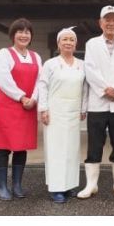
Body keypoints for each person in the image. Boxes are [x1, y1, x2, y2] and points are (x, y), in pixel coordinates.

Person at [78, 5, 114, 198]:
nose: (111, 23)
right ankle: (91, 185)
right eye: (107, 19)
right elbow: (90, 70)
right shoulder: (92, 44)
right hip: (98, 102)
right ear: (100, 23)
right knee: (95, 143)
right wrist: (106, 89)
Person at [0, 18, 42, 200]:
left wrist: (33, 98)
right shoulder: (5, 53)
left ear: (31, 36)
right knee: (3, 147)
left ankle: (17, 184)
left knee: (21, 147)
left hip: (28, 107)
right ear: (13, 35)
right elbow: (3, 80)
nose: (24, 35)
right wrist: (21, 96)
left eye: (27, 32)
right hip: (8, 106)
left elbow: (40, 81)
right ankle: (1, 186)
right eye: (20, 31)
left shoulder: (36, 57)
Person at [38, 27, 88, 203]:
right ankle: (57, 188)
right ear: (58, 43)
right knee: (56, 150)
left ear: (76, 44)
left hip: (73, 112)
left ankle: (69, 185)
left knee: (72, 150)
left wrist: (83, 108)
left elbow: (85, 89)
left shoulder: (82, 64)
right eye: (64, 39)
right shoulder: (50, 64)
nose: (68, 42)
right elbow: (42, 86)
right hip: (55, 112)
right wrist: (43, 109)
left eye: (71, 39)